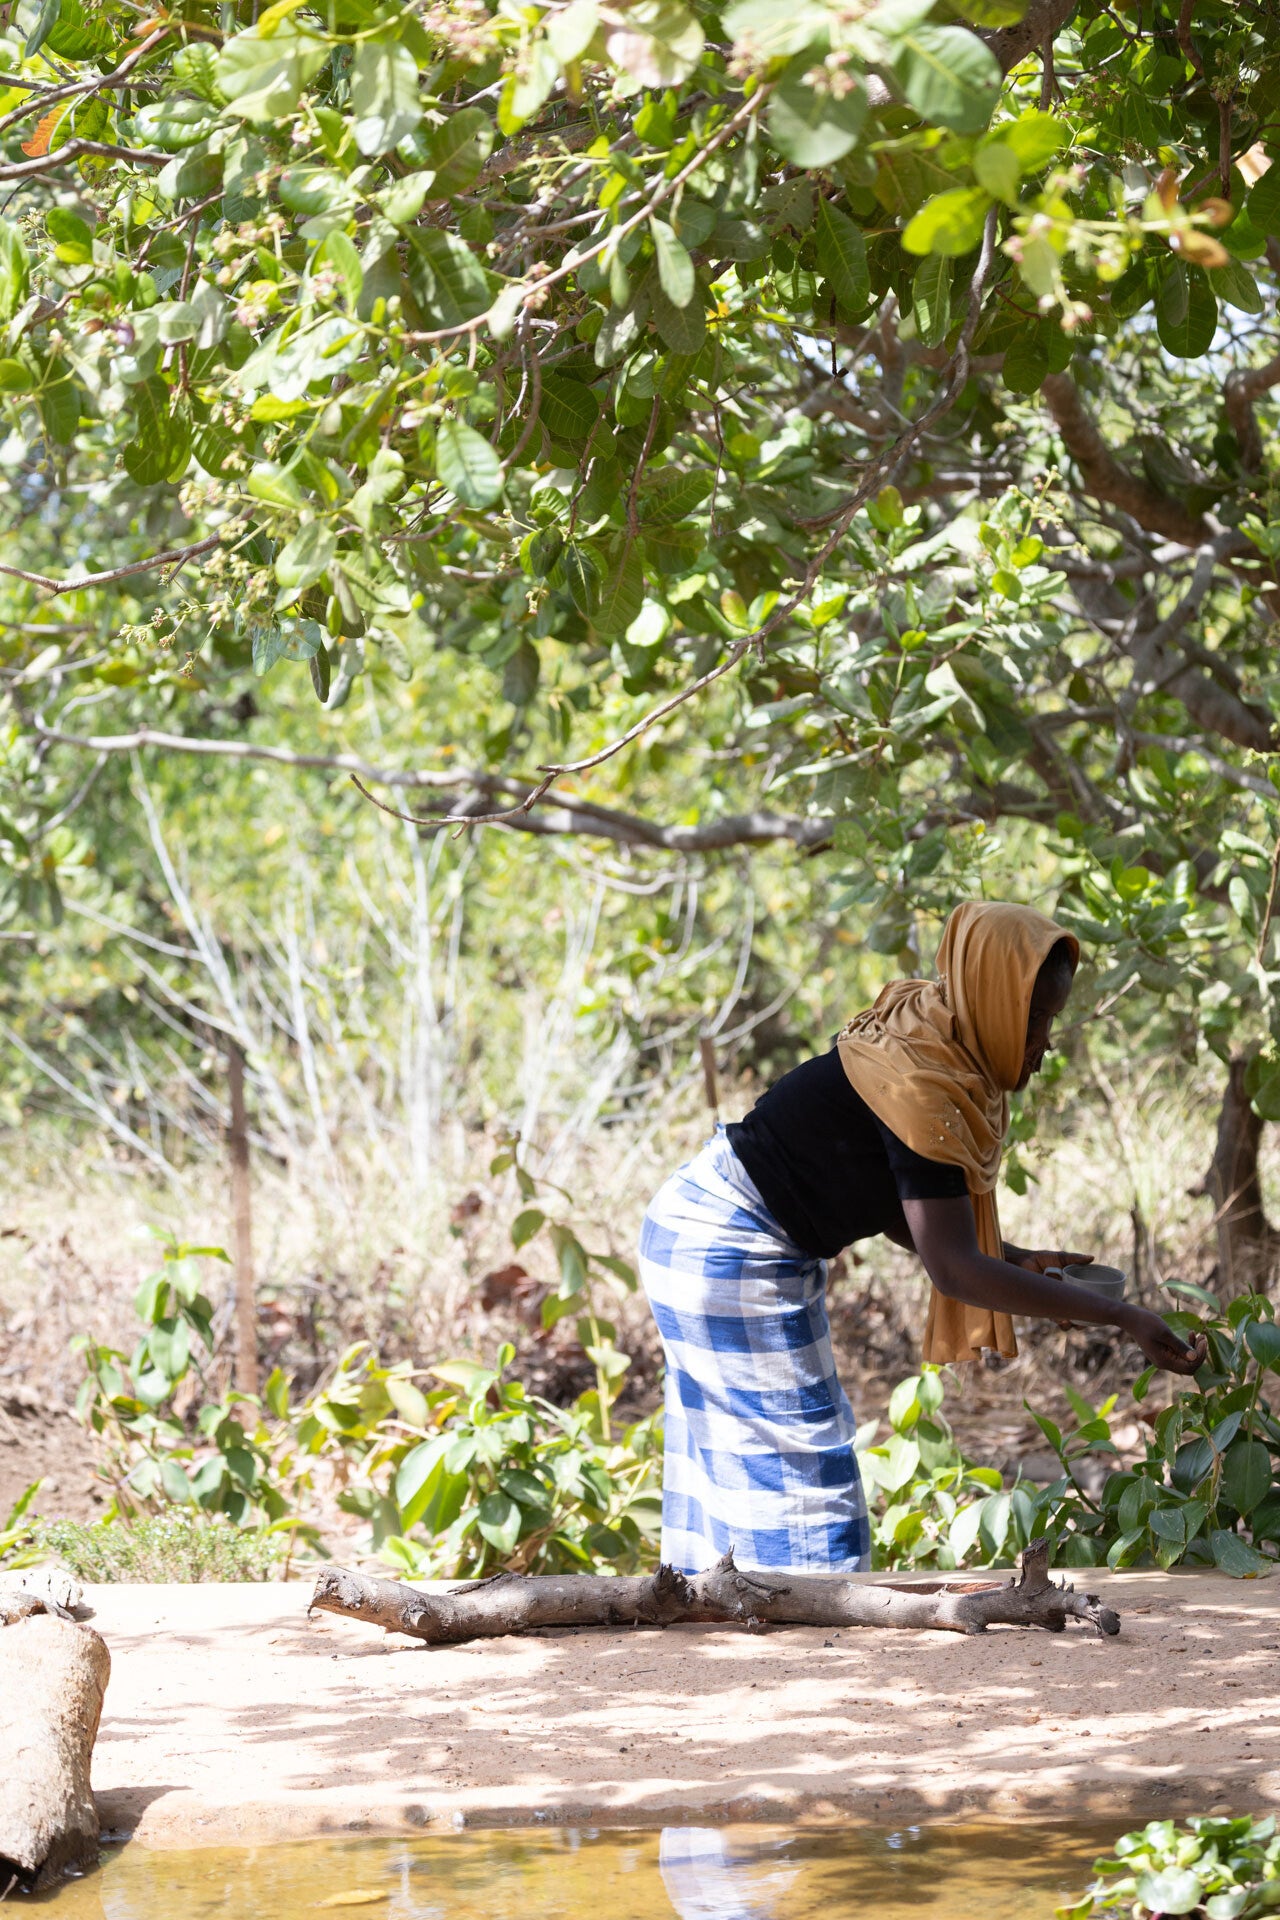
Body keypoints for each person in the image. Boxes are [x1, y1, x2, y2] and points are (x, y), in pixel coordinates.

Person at [638, 900, 1206, 1577]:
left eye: (1051, 1019)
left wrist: (1015, 1260)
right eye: (1035, 1017)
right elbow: (954, 1269)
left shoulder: (930, 1035)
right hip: (729, 1248)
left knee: (740, 1468)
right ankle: (816, 1627)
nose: (1046, 1041)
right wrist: (1122, 1316)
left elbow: (891, 1196)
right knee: (805, 1479)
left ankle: (733, 1617)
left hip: (707, 1224)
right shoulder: (924, 1085)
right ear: (991, 997)